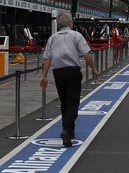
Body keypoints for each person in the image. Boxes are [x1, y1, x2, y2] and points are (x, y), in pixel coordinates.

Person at [40, 10, 99, 146]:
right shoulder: (76, 35)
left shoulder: (52, 38)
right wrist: (93, 69)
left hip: (58, 72)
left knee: (64, 101)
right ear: (70, 23)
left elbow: (47, 58)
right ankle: (67, 129)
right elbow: (87, 54)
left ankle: (67, 129)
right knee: (73, 101)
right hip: (72, 71)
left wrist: (43, 75)